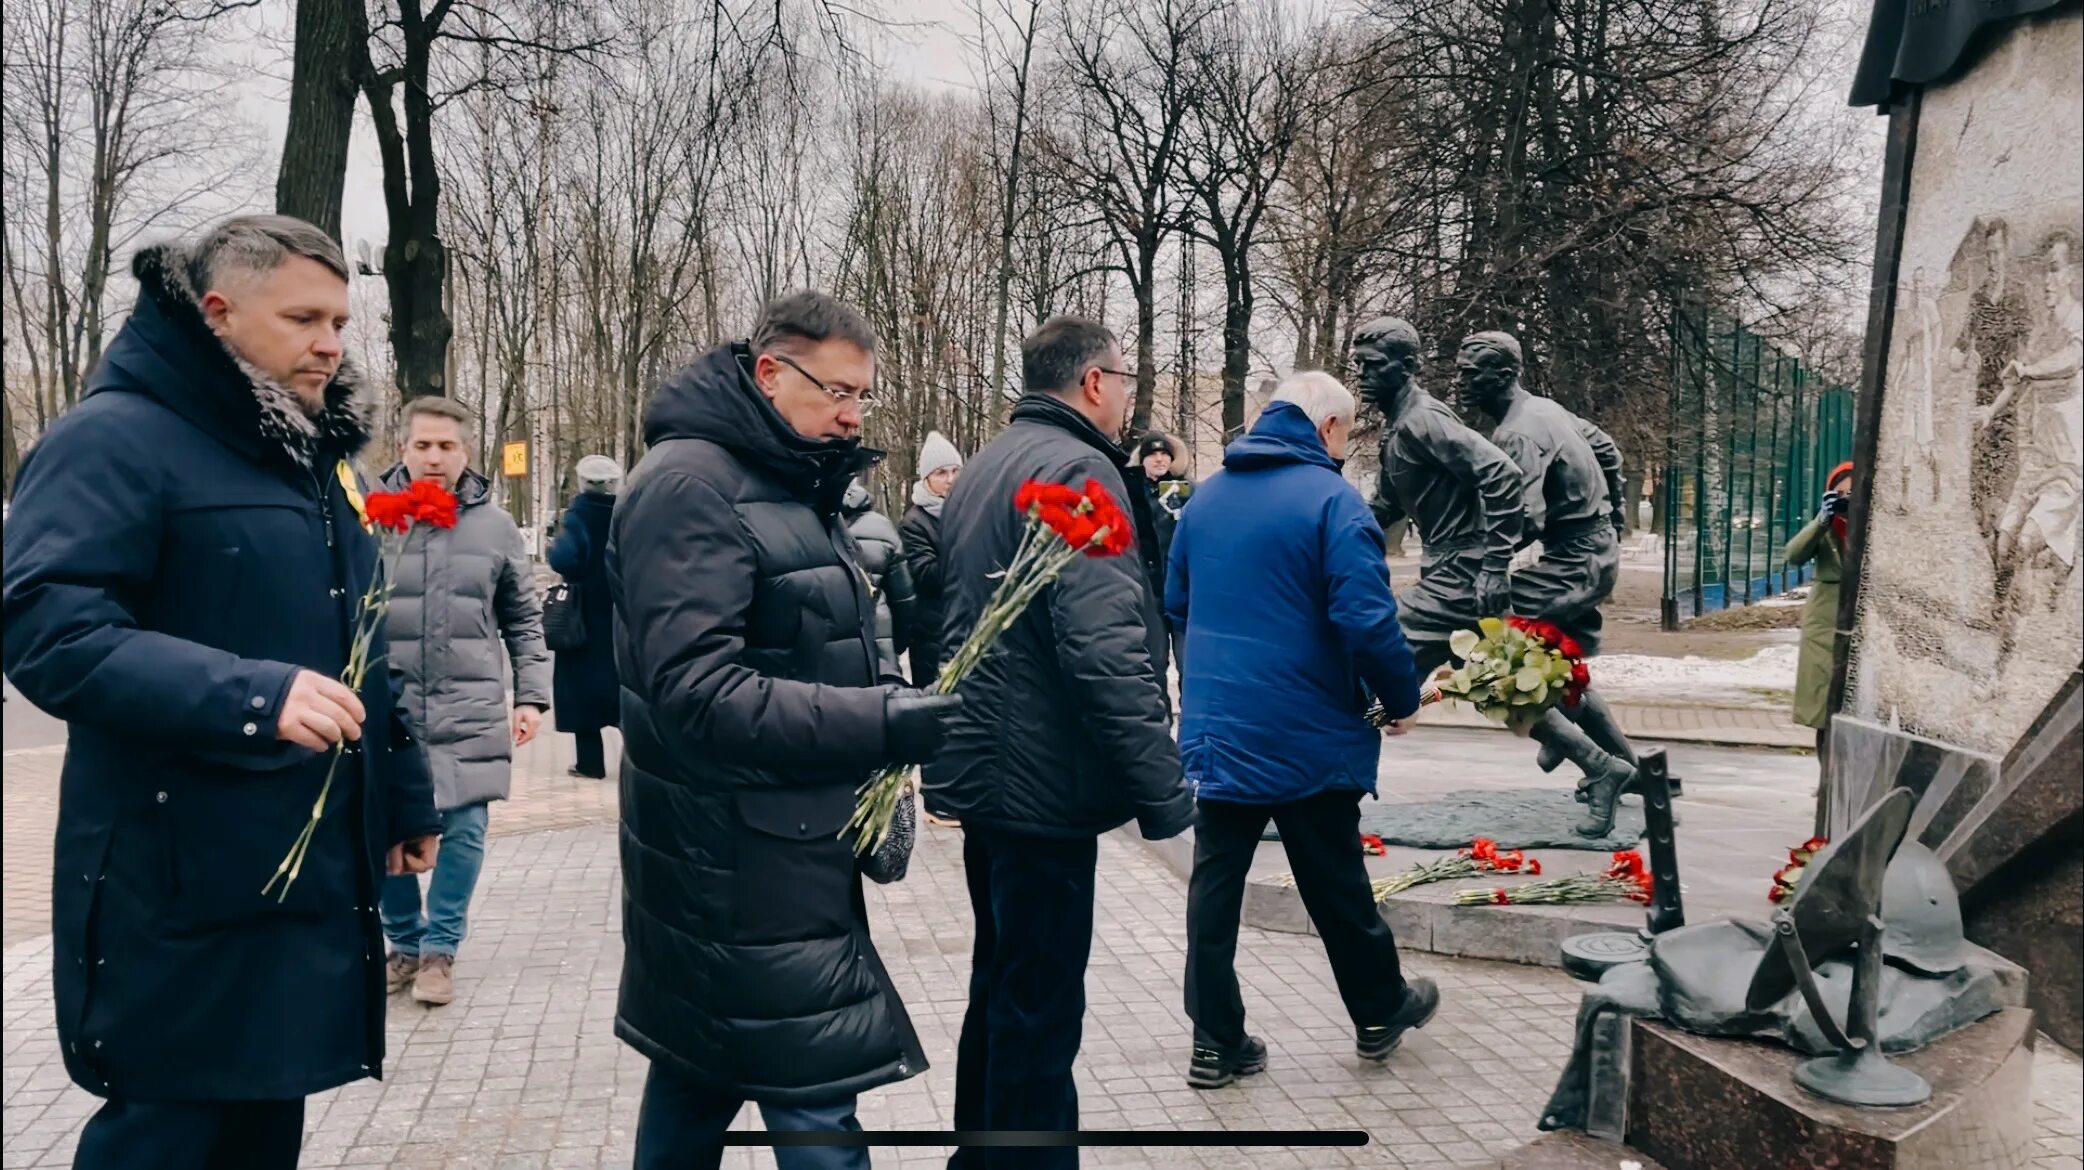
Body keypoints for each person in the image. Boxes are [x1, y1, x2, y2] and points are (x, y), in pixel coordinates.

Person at [1, 214, 440, 1169]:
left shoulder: (311, 460)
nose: (331, 343)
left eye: (340, 320)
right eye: (304, 319)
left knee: (261, 1123)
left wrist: (405, 797)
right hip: (173, 883)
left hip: (298, 872)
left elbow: (362, 644)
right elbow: (46, 629)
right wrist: (250, 695)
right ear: (218, 314)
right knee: (166, 1135)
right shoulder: (111, 441)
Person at [606, 290, 962, 1169]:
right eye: (837, 391)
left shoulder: (785, 477)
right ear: (770, 373)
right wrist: (883, 721)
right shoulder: (692, 485)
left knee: (701, 1070)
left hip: (772, 844)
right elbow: (697, 689)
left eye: (863, 396)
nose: (852, 413)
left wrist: (886, 695)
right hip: (733, 857)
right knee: (811, 1102)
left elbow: (817, 637)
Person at [928, 315, 1196, 1165]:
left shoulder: (985, 467)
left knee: (1000, 988)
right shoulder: (1077, 470)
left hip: (989, 772)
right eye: (1122, 381)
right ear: (1092, 382)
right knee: (1039, 1008)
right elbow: (1106, 649)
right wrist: (1166, 798)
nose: (1125, 399)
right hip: (1039, 786)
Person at [1167, 372, 1440, 1090]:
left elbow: (1177, 603)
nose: (1346, 450)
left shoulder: (1205, 499)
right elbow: (1366, 619)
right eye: (1347, 435)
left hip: (1220, 731)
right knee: (1334, 882)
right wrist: (1400, 698)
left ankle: (1214, 1041)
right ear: (1327, 429)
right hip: (1306, 731)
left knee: (1215, 887)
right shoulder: (1333, 503)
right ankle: (1380, 1008)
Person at [377, 396, 552, 1007]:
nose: (434, 457)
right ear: (402, 447)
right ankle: (401, 941)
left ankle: (440, 949)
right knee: (382, 828)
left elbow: (523, 621)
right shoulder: (369, 515)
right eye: (422, 444)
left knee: (467, 827)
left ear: (466, 452)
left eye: (447, 446)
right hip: (386, 708)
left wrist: (531, 696)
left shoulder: (495, 527)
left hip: (470, 702)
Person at [1455, 330, 1643, 837]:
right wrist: (1613, 515)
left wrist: (1486, 566)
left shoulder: (1517, 432)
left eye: (1471, 373)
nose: (1460, 382)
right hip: (1591, 554)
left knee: (1481, 658)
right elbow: (1607, 449)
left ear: (1503, 374)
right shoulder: (1546, 408)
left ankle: (1598, 767)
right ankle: (1630, 770)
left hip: (1576, 562)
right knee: (1557, 669)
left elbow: (1525, 518)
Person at [547, 455, 621, 779]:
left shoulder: (578, 516)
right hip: (622, 609)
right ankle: (638, 758)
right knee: (623, 684)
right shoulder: (626, 512)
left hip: (583, 613)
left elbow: (564, 559)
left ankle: (591, 763)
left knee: (582, 688)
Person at [1786, 462, 1854, 769]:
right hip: (1824, 618)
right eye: (1840, 493)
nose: (1846, 499)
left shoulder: (1878, 524)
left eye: (1853, 492)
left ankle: (1850, 774)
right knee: (1824, 706)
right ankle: (1827, 775)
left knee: (1855, 702)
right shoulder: (1824, 529)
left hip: (1863, 618)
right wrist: (1821, 521)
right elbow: (1794, 555)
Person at [900, 430, 964, 688]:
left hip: (967, 626)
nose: (950, 479)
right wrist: (967, 546)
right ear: (926, 478)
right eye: (941, 473)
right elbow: (927, 576)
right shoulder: (914, 523)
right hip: (932, 635)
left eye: (955, 471)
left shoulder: (966, 510)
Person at [843, 473, 921, 678]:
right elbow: (904, 600)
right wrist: (898, 645)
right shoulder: (882, 527)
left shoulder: (798, 523)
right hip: (880, 658)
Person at [1135, 432, 1194, 671]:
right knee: (1154, 661)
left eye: (1164, 454)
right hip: (1148, 590)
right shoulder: (1133, 494)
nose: (1159, 460)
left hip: (1181, 589)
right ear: (1142, 460)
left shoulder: (1187, 492)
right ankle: (1159, 709)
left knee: (1187, 661)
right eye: (1152, 455)